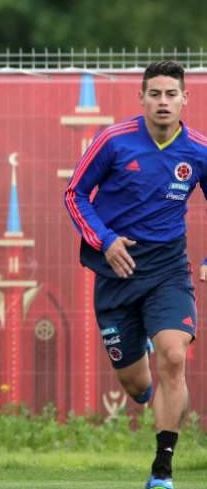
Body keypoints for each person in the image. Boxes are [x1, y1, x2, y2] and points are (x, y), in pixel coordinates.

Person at [65, 60, 207, 489]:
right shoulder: (113, 140)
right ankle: (141, 359)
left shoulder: (198, 150)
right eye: (155, 94)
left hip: (167, 268)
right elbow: (74, 194)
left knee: (174, 357)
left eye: (171, 94)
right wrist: (106, 240)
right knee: (137, 386)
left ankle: (162, 470)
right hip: (116, 270)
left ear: (185, 99)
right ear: (141, 99)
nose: (163, 102)